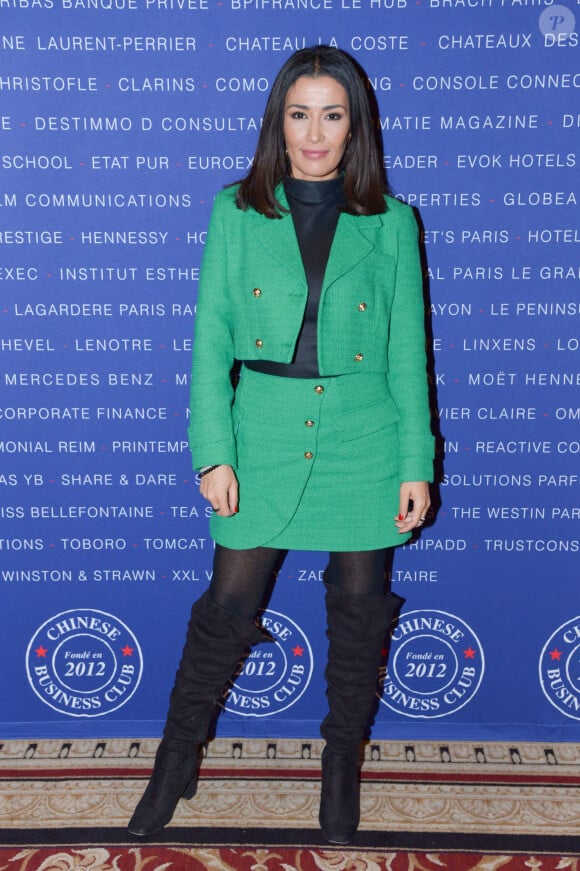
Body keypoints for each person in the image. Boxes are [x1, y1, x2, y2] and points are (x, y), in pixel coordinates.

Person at [128, 45, 434, 845]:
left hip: (365, 437)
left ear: (354, 126)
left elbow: (408, 352)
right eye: (300, 114)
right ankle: (174, 762)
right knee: (224, 612)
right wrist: (212, 449)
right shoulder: (235, 210)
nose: (315, 132)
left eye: (333, 115)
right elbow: (207, 345)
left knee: (360, 616)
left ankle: (339, 772)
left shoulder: (393, 223)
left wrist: (415, 463)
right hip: (261, 429)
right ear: (279, 122)